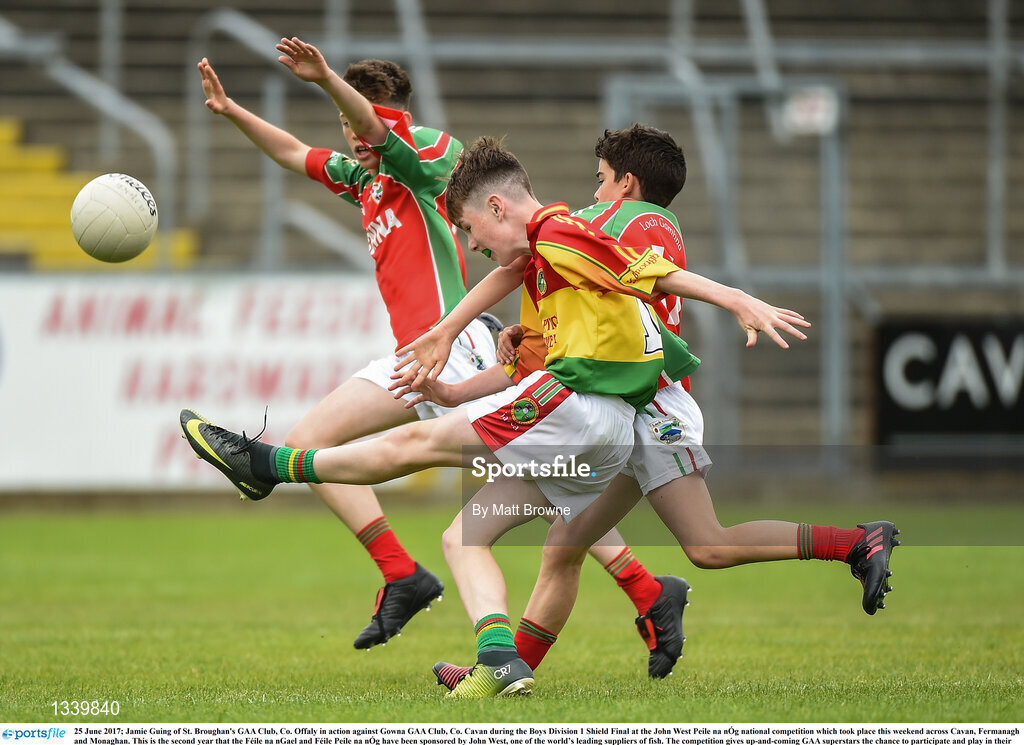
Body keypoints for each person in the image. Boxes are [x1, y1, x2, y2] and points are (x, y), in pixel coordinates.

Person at [179, 135, 810, 696]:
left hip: (580, 407)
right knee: (468, 537)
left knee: (420, 444)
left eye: (474, 231)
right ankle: (500, 659)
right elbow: (517, 275)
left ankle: (270, 465)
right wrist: (458, 338)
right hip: (607, 431)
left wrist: (735, 298)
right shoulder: (542, 254)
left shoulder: (561, 233)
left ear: (499, 208)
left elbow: (648, 273)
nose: (474, 246)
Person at [195, 40, 673, 652]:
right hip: (413, 352)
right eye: (344, 124)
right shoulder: (365, 180)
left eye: (362, 120)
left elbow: (376, 127)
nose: (354, 135)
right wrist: (232, 110)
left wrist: (322, 82)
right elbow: (293, 152)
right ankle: (401, 573)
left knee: (535, 473)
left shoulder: (429, 155)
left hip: (457, 343)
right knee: (313, 442)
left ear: (397, 117)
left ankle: (645, 591)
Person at [430, 124, 899, 691]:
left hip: (651, 407)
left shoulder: (631, 220)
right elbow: (565, 293)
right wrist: (522, 335)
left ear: (627, 184)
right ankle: (503, 669)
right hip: (621, 402)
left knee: (707, 545)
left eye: (601, 181)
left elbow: (612, 280)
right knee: (564, 546)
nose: (594, 193)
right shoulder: (602, 227)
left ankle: (854, 543)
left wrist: (732, 297)